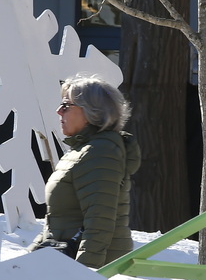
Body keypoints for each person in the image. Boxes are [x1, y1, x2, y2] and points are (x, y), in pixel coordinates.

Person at [29, 74, 141, 268]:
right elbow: (57, 220)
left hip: (94, 270)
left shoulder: (101, 152)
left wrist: (84, 273)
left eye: (66, 106)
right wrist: (32, 256)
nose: (58, 111)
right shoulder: (81, 150)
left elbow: (100, 221)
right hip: (63, 258)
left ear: (91, 112)